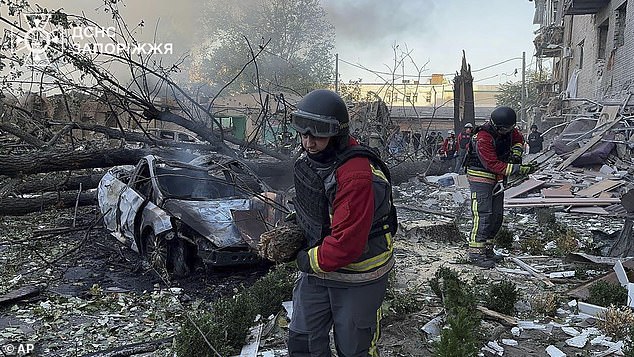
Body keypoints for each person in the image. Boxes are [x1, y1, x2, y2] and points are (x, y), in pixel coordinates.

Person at [288, 89, 398, 356]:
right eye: (304, 134)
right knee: (303, 343)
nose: (308, 143)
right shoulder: (314, 159)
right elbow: (314, 206)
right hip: (321, 267)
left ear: (337, 133)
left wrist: (307, 260)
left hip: (359, 274)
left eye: (317, 135)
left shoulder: (357, 176)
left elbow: (348, 244)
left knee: (354, 349)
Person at [465, 106, 536, 268]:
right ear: (497, 127)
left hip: (498, 176)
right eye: (506, 129)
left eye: (510, 128)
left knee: (496, 215)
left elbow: (518, 139)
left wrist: (516, 154)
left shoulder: (510, 131)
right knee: (483, 213)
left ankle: (487, 249)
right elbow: (492, 164)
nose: (509, 131)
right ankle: (475, 252)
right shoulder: (482, 137)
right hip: (480, 174)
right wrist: (518, 169)